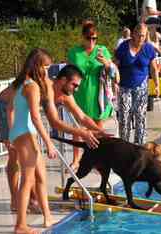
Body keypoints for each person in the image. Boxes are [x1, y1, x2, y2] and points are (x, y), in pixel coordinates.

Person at [9, 48, 56, 234]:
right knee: (27, 180)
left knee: (40, 177)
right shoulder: (32, 86)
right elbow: (36, 118)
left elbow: (9, 109)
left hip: (21, 133)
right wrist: (49, 142)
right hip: (26, 133)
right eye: (46, 67)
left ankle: (47, 215)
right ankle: (20, 225)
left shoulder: (20, 83)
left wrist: (12, 133)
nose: (47, 71)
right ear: (38, 66)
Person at [68, 20, 115, 163]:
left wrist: (105, 62)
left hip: (97, 93)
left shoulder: (102, 50)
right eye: (88, 38)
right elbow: (68, 72)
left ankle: (98, 158)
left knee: (98, 127)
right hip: (80, 92)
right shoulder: (75, 52)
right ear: (83, 37)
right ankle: (76, 159)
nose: (91, 41)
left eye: (94, 38)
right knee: (78, 128)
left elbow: (112, 70)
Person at [49, 64, 112, 170]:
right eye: (74, 85)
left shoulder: (66, 95)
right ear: (63, 80)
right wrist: (81, 133)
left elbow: (82, 117)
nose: (76, 89)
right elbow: (54, 122)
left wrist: (99, 131)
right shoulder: (48, 90)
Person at [115, 23, 159, 145]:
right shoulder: (123, 47)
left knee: (141, 116)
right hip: (125, 86)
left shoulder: (148, 48)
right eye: (139, 35)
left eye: (143, 36)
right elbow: (115, 65)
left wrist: (156, 85)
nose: (141, 39)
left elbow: (153, 68)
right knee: (124, 117)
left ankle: (139, 146)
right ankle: (124, 145)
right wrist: (114, 81)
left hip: (141, 86)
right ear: (133, 34)